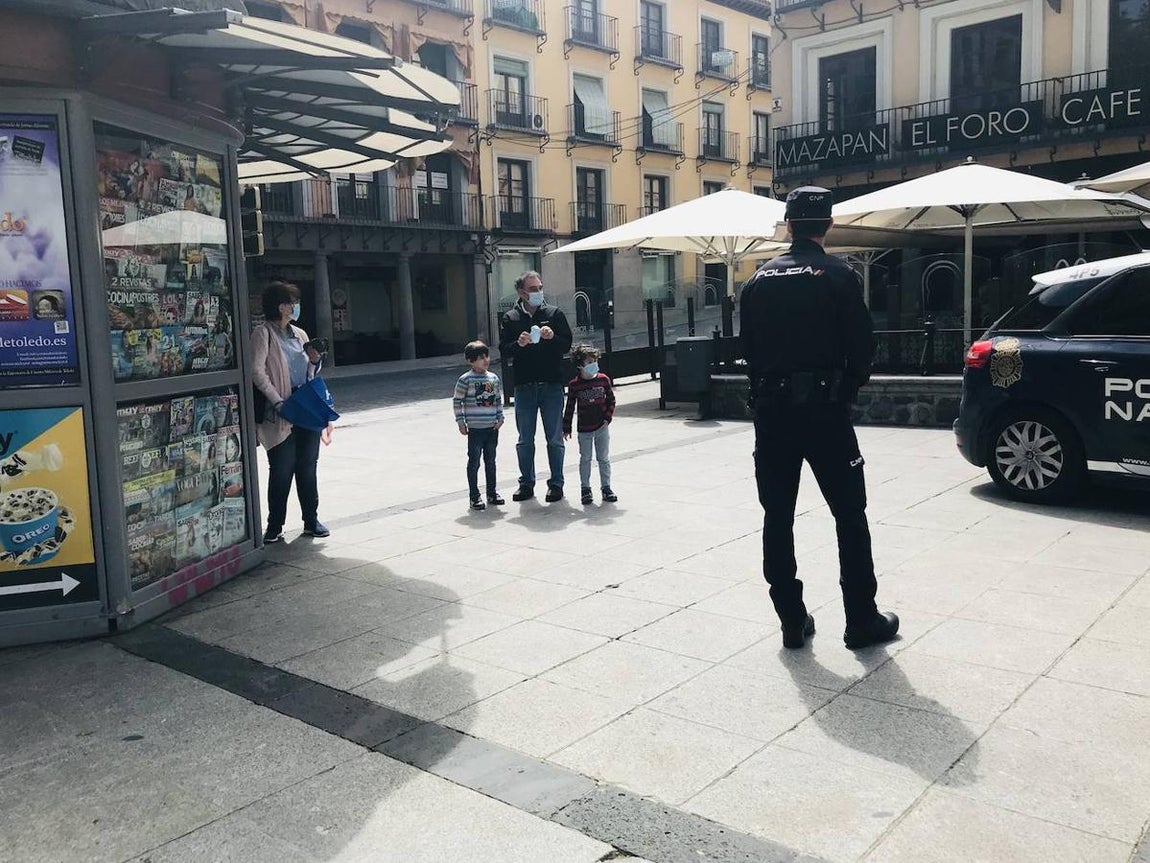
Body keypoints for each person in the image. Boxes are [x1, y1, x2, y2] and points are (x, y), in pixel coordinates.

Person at [739, 186, 898, 651]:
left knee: (778, 516)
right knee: (850, 515)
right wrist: (844, 391)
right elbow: (863, 349)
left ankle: (791, 617)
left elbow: (746, 349)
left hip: (772, 414)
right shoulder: (838, 275)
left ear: (788, 225)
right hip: (825, 413)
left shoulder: (758, 279)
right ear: (828, 225)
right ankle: (861, 620)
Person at [251, 279, 329, 542]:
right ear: (281, 306)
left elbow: (308, 372)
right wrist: (277, 401)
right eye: (291, 302)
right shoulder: (263, 333)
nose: (295, 307)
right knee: (282, 469)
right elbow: (257, 371)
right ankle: (275, 526)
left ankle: (311, 520)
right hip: (280, 411)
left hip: (305, 408)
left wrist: (315, 362)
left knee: (308, 466)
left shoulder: (300, 334)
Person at [498, 270, 573, 502]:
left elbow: (566, 344)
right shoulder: (510, 318)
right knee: (525, 439)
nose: (539, 292)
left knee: (554, 438)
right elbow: (504, 349)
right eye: (533, 289)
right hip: (524, 386)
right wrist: (518, 344)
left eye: (540, 287)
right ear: (521, 293)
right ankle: (526, 484)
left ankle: (556, 484)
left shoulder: (554, 314)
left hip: (551, 385)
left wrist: (552, 338)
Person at [453, 341, 505, 510]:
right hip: (475, 429)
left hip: (491, 428)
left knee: (491, 461)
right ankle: (474, 496)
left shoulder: (493, 378)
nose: (485, 360)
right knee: (474, 462)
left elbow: (497, 400)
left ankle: (492, 492)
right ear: (470, 360)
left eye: (486, 356)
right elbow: (457, 401)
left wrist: (500, 417)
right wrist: (461, 422)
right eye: (480, 358)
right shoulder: (465, 380)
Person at [562, 344, 617, 506]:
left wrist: (607, 418)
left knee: (603, 458)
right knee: (585, 458)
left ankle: (606, 487)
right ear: (580, 365)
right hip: (584, 429)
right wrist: (566, 427)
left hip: (602, 427)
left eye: (595, 361)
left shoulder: (603, 380)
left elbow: (611, 400)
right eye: (589, 362)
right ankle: (585, 489)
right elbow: (570, 407)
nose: (593, 364)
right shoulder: (574, 385)